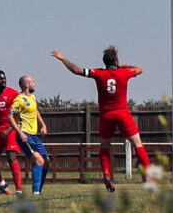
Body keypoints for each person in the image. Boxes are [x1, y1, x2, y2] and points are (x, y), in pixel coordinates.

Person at [52, 47, 151, 192]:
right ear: (116, 60)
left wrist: (63, 58)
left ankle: (106, 174)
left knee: (105, 146)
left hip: (106, 115)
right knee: (137, 144)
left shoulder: (98, 73)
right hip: (123, 114)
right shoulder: (124, 72)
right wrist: (123, 66)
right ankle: (147, 174)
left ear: (104, 62)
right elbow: (140, 69)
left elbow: (77, 70)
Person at [9, 75, 51, 195]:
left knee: (47, 161)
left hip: (33, 135)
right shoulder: (19, 99)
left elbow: (36, 111)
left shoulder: (32, 97)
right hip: (25, 135)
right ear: (26, 85)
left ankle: (39, 190)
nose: (35, 84)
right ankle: (36, 192)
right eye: (33, 82)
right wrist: (20, 132)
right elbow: (9, 117)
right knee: (38, 161)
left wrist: (43, 125)